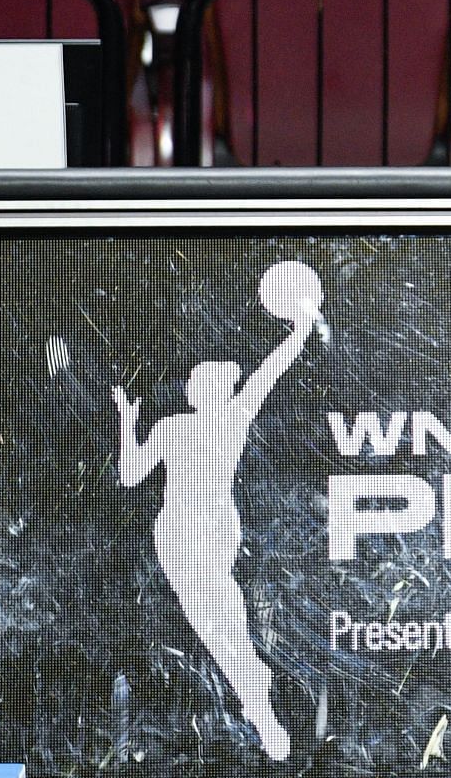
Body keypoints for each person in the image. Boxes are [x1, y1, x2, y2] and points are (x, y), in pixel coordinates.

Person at [113, 261, 322, 763]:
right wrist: (299, 329)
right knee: (217, 623)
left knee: (222, 618)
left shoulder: (210, 422)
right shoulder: (199, 424)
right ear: (206, 391)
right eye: (218, 383)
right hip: (187, 532)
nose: (222, 388)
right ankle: (255, 693)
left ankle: (254, 689)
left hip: (202, 530)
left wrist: (299, 331)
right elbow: (128, 476)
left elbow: (268, 373)